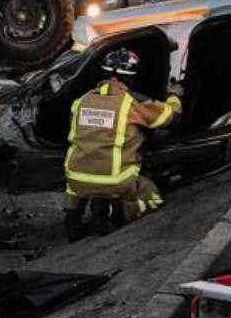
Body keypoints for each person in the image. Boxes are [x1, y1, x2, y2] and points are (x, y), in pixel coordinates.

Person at [63, 49, 182, 240]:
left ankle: (71, 221)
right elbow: (170, 117)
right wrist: (174, 95)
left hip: (76, 180)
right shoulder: (132, 102)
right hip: (114, 181)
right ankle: (112, 210)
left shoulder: (81, 101)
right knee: (153, 198)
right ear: (132, 77)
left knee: (79, 171)